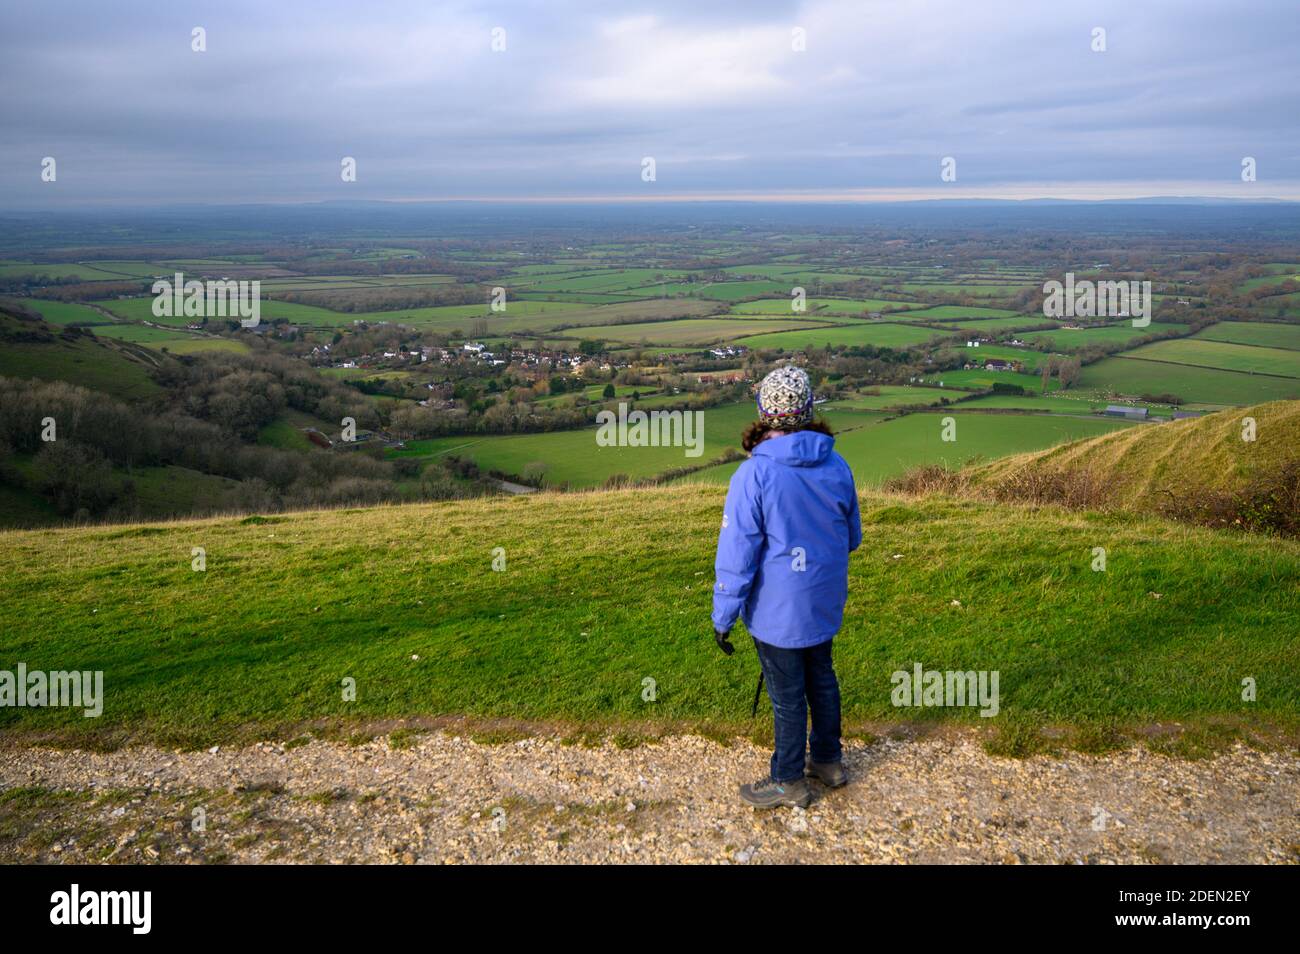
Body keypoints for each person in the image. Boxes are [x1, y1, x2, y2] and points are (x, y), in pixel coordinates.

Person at [711, 365, 862, 809]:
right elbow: (852, 537)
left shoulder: (753, 477)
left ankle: (788, 780)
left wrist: (723, 617)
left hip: (778, 612)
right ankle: (829, 762)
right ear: (808, 407)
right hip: (823, 602)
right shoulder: (836, 463)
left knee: (787, 696)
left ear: (764, 412)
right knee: (822, 679)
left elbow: (736, 557)